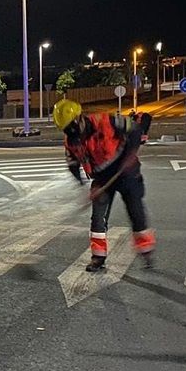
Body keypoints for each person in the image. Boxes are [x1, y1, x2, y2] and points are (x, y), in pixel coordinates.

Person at [53, 99, 155, 272]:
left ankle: (146, 252)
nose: (70, 132)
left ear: (80, 118)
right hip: (101, 179)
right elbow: (72, 164)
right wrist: (82, 185)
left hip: (125, 172)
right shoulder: (71, 141)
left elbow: (135, 129)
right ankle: (98, 258)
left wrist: (130, 155)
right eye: (66, 129)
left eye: (71, 126)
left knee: (135, 212)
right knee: (98, 219)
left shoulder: (105, 121)